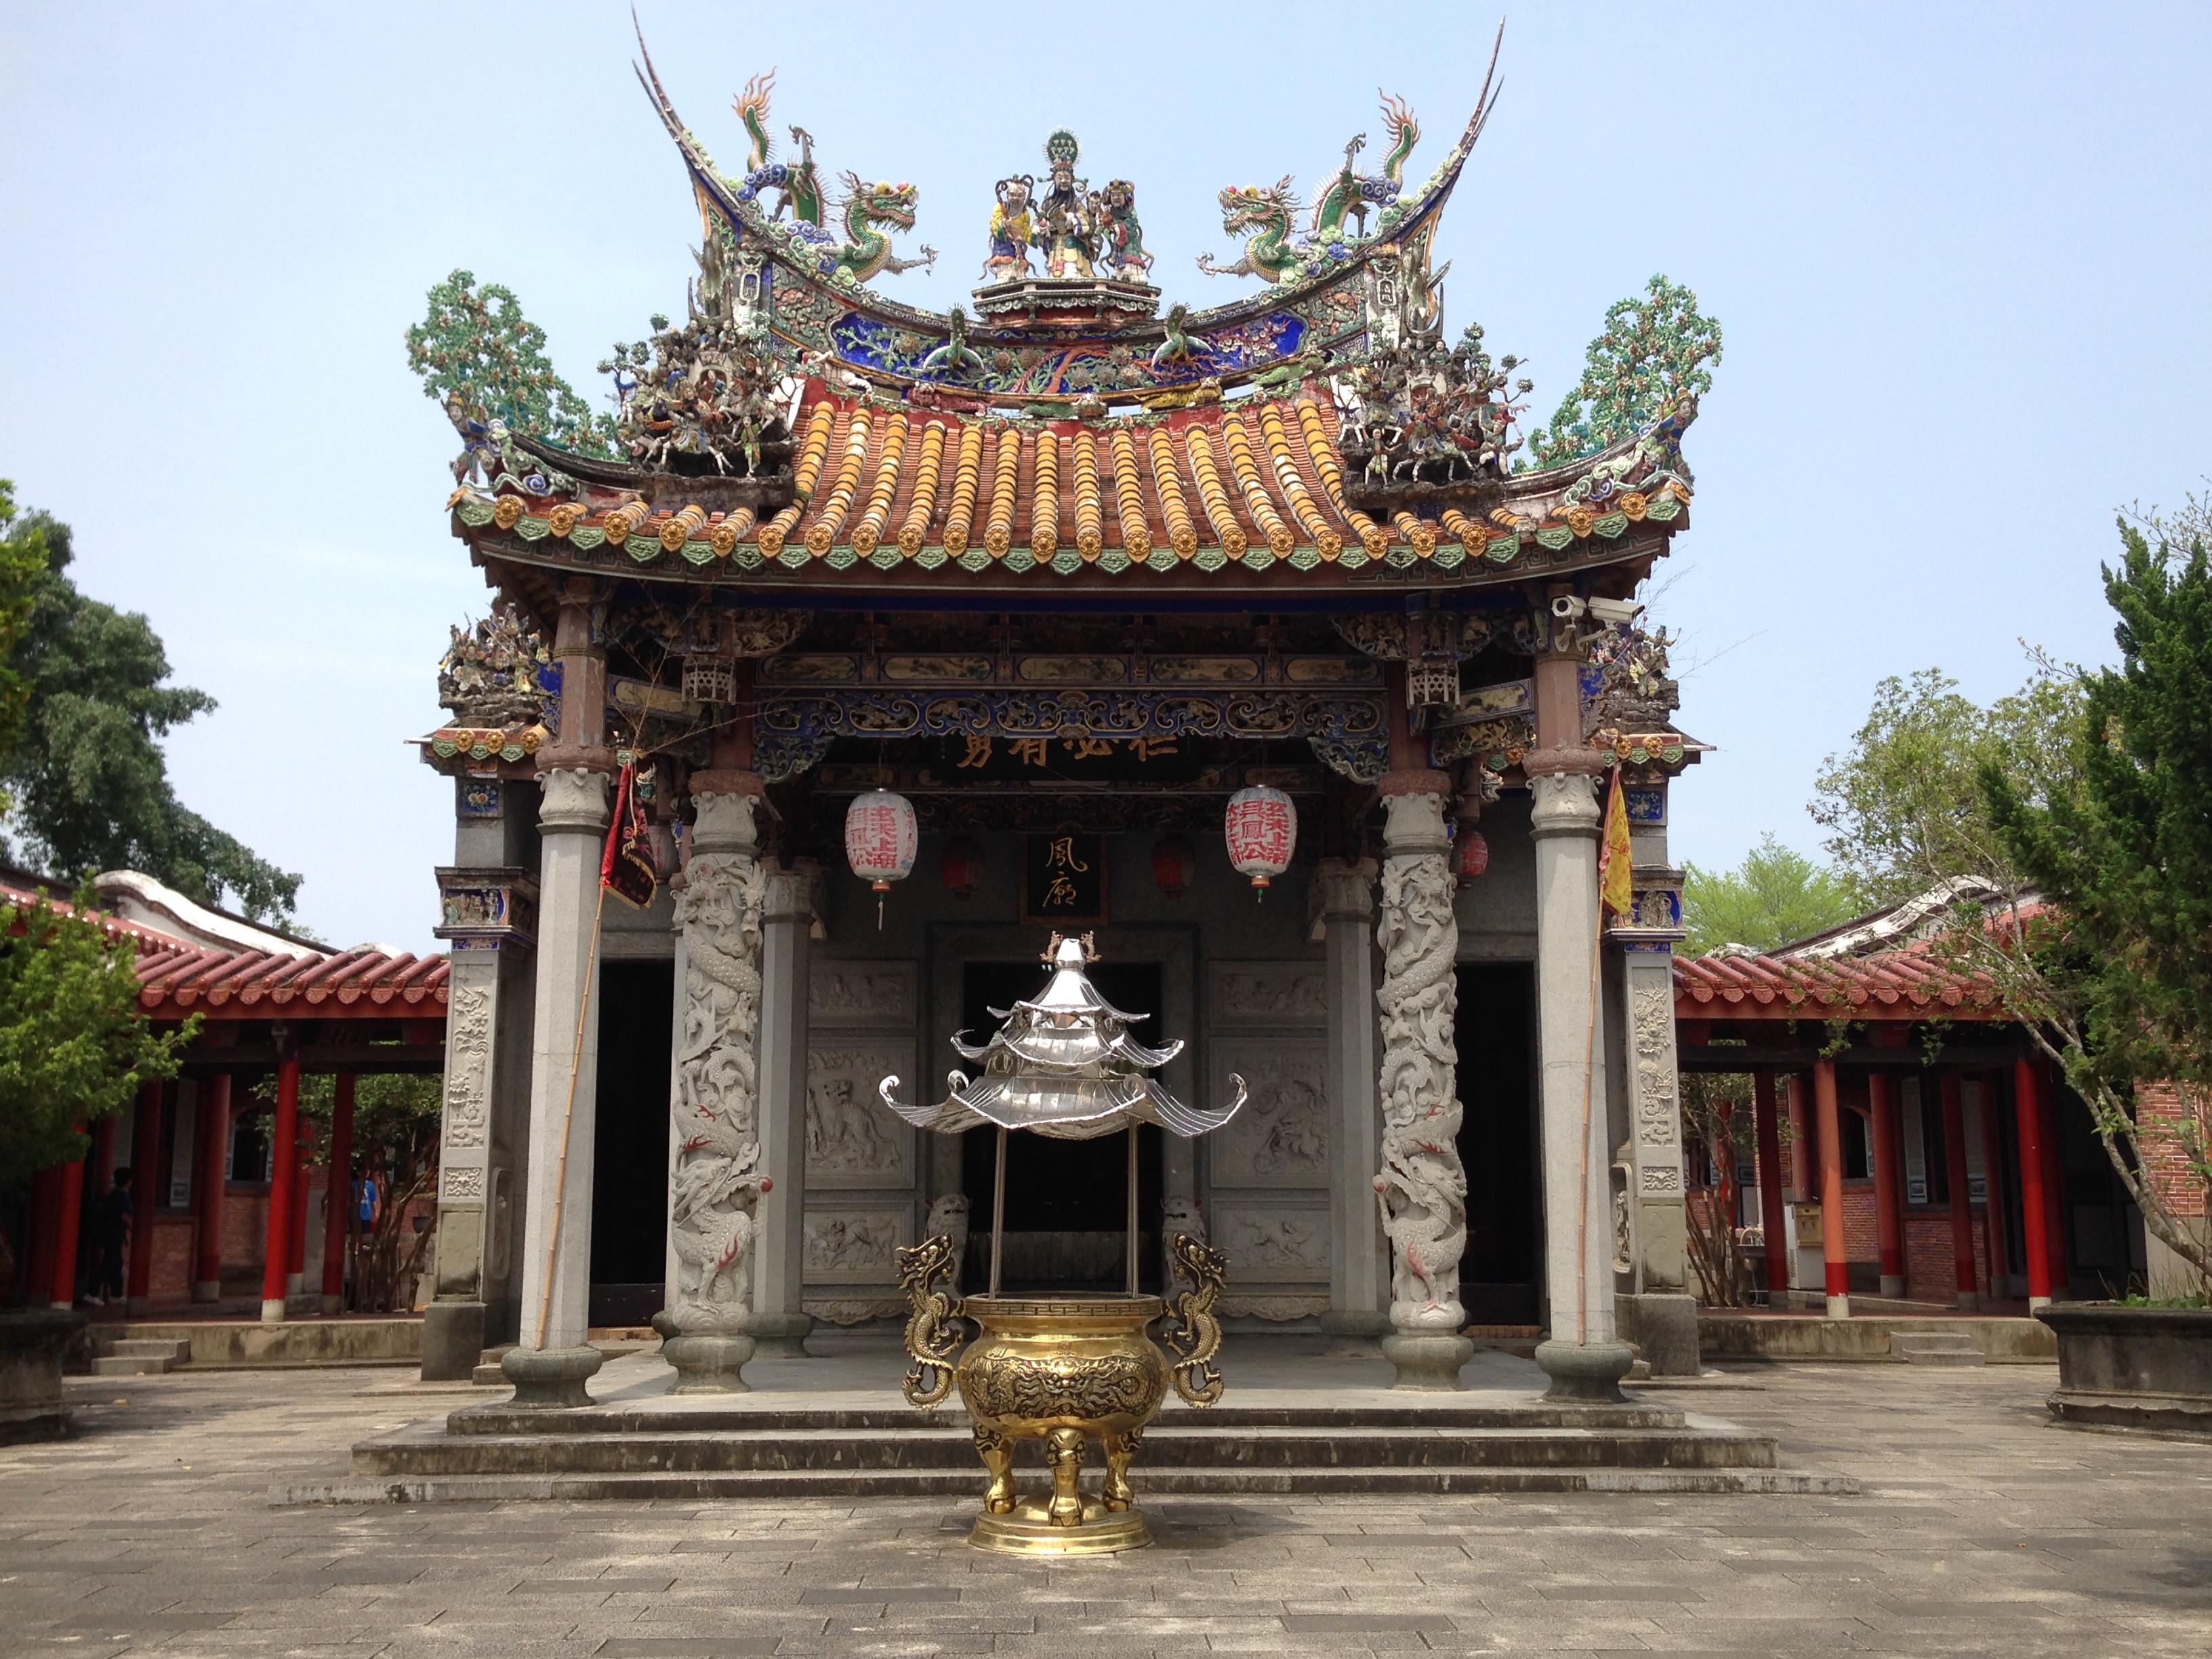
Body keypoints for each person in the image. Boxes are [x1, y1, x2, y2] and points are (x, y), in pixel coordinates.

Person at [87, 1166, 133, 1307]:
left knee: (117, 1263)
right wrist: (132, 1229)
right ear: (129, 1181)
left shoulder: (113, 1195)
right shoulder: (123, 1197)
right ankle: (92, 1293)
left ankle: (116, 1294)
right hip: (114, 1235)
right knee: (109, 1263)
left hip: (108, 1234)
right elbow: (124, 1216)